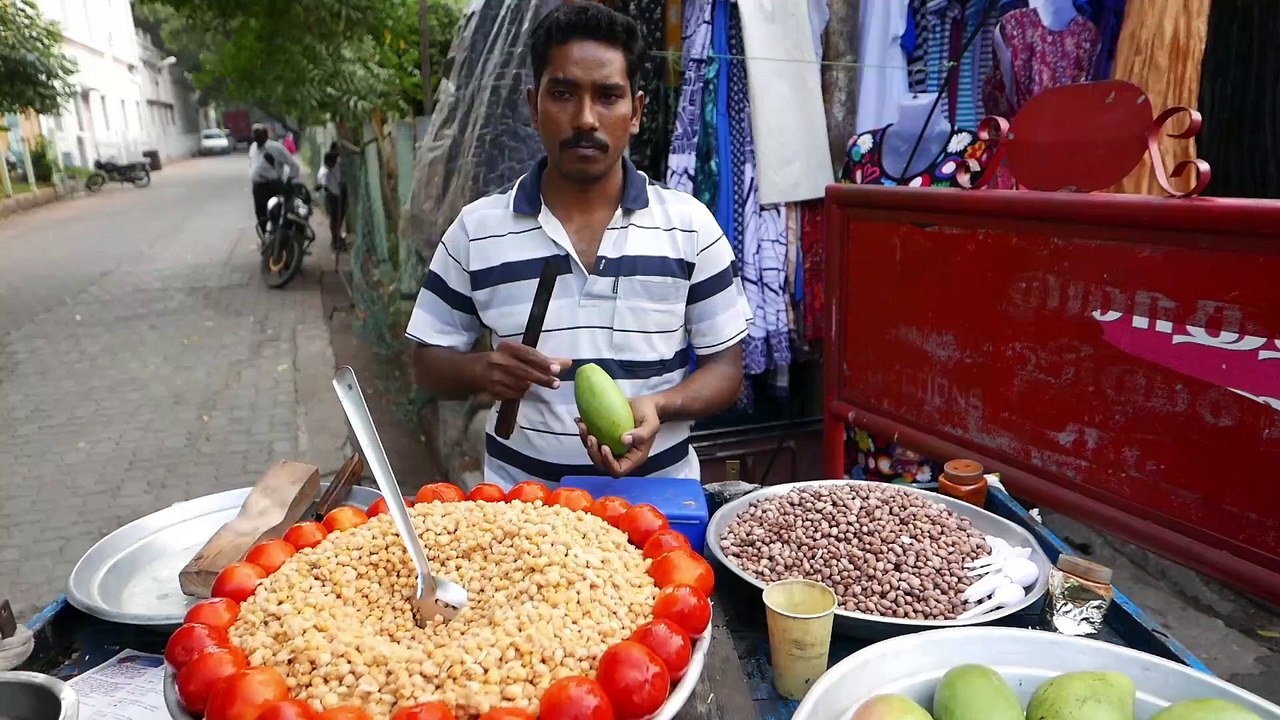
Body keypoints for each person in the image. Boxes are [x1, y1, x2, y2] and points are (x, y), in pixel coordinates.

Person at [406, 1, 751, 488]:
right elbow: (427, 365)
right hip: (522, 515)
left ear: (636, 112)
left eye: (608, 96)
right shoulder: (476, 230)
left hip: (658, 510)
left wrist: (660, 404)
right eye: (564, 93)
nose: (586, 118)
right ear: (533, 106)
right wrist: (483, 371)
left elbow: (726, 369)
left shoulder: (690, 226)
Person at [248, 124, 301, 236]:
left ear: (266, 135)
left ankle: (277, 240)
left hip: (271, 186)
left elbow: (294, 165)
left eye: (259, 135)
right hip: (258, 187)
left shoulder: (275, 148)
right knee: (261, 215)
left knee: (275, 213)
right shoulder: (253, 147)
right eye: (254, 135)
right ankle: (265, 240)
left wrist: (288, 181)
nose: (256, 138)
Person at [316, 143, 347, 252]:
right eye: (333, 161)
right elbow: (324, 186)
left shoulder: (336, 165)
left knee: (340, 216)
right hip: (332, 197)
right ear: (327, 161)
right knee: (334, 218)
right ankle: (335, 239)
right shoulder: (323, 173)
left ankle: (338, 236)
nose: (335, 162)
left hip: (340, 194)